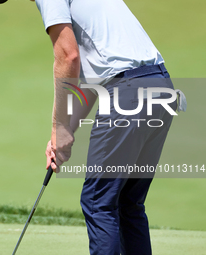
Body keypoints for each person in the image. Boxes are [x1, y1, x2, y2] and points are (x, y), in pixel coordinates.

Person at [32, 0, 182, 255]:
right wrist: (65, 133)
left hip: (127, 93)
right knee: (128, 203)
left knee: (98, 201)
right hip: (160, 87)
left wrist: (59, 125)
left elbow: (68, 57)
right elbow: (96, 79)